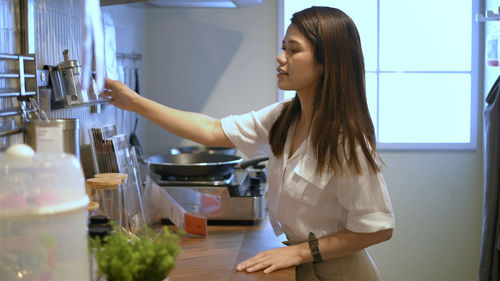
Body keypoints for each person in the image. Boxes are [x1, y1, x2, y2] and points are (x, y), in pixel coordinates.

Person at [103, 6, 394, 281]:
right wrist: (135, 103)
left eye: (293, 50)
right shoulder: (285, 116)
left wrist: (300, 251)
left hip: (338, 273)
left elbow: (377, 228)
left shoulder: (345, 139)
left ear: (325, 63)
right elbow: (212, 129)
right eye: (283, 48)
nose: (281, 57)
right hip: (300, 265)